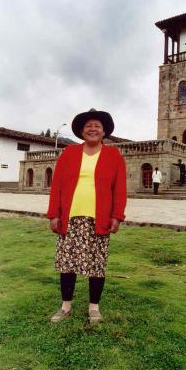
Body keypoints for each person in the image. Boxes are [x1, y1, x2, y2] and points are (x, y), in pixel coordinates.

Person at [46, 108, 127, 324]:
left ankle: (94, 307)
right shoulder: (69, 153)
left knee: (97, 264)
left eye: (97, 126)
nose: (92, 129)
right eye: (88, 126)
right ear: (82, 132)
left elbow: (119, 189)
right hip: (70, 219)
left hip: (98, 220)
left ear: (104, 131)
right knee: (67, 263)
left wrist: (116, 216)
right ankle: (65, 306)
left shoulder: (113, 155)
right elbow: (57, 187)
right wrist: (54, 214)